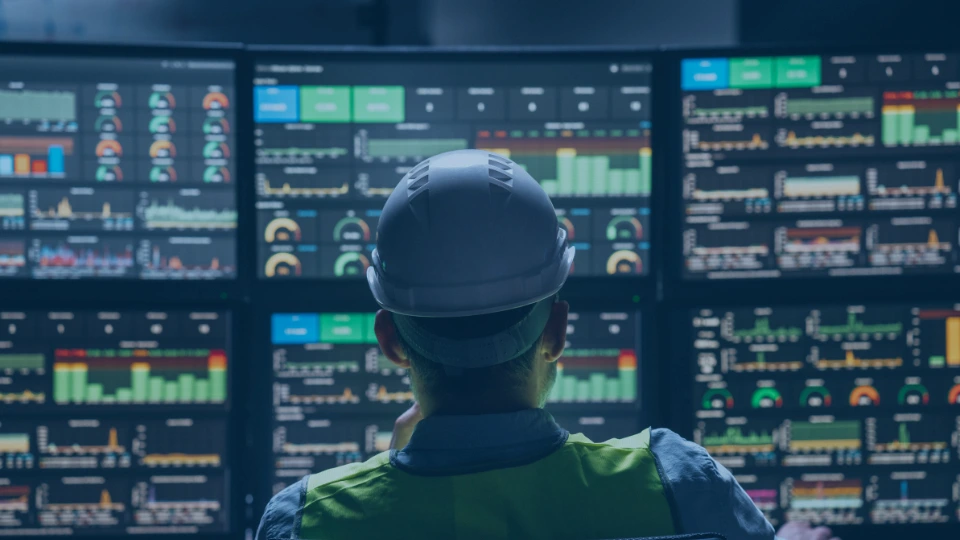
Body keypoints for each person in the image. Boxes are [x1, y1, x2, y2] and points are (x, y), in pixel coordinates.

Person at [257, 150, 838, 540]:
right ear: (557, 331)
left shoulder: (304, 519)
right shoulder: (681, 484)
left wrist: (389, 479)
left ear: (391, 341)